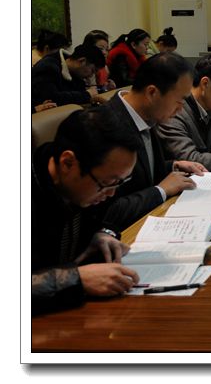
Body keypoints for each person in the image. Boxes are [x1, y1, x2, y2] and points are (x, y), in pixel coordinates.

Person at [32, 108, 141, 315]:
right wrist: (78, 279)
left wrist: (101, 234)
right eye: (108, 183)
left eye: (120, 182)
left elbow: (101, 220)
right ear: (68, 163)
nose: (111, 193)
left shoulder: (86, 184)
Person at [93, 52, 207, 231]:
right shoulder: (104, 127)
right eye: (179, 101)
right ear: (152, 93)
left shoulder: (146, 115)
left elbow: (143, 173)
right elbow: (105, 213)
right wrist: (160, 191)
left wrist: (173, 166)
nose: (181, 109)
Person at [32, 44, 107, 108]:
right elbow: (51, 99)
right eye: (92, 70)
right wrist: (86, 95)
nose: (91, 76)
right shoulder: (48, 67)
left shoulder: (75, 72)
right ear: (82, 61)